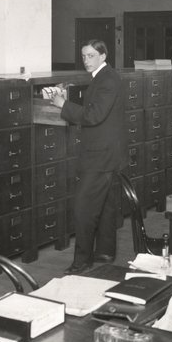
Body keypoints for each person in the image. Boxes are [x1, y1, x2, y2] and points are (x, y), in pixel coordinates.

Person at [44, 39, 126, 274]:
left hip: (100, 156)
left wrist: (62, 104)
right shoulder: (104, 77)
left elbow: (94, 115)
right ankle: (105, 252)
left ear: (103, 56)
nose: (86, 60)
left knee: (84, 208)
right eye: (83, 56)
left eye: (91, 56)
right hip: (108, 154)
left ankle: (82, 261)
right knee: (106, 206)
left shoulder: (107, 79)